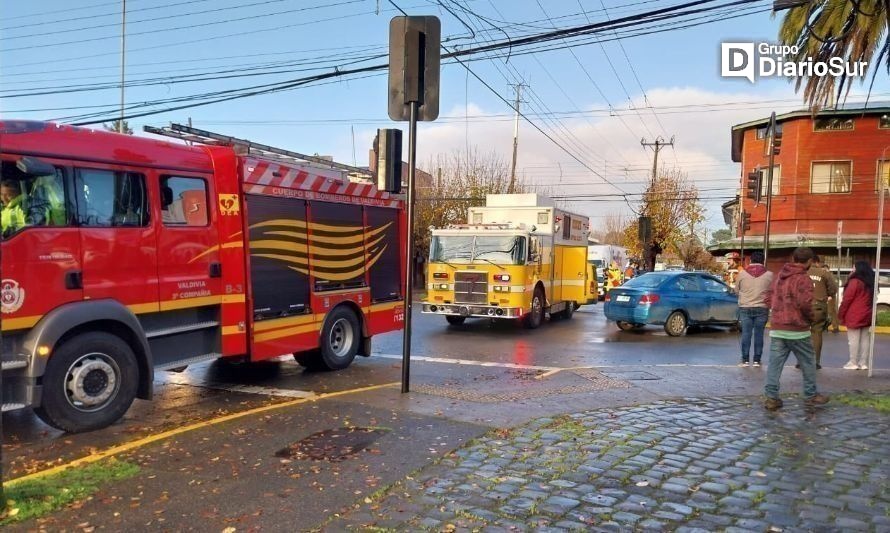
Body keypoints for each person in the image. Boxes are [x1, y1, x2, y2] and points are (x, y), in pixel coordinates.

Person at [763, 247, 829, 411]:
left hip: (778, 327)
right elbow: (805, 303)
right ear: (809, 262)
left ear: (794, 259)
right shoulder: (803, 279)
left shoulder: (779, 276)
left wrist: (777, 310)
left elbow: (768, 297)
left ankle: (771, 398)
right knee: (808, 362)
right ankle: (810, 395)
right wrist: (811, 318)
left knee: (775, 365)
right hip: (798, 329)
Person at [735, 250, 773, 367]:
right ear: (763, 261)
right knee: (759, 334)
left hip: (745, 307)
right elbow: (772, 291)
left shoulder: (742, 274)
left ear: (750, 260)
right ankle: (757, 360)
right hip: (762, 308)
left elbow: (737, 290)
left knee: (746, 333)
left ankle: (745, 360)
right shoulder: (769, 275)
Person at [800, 255, 837, 370]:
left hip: (803, 306)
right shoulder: (824, 273)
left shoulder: (802, 273)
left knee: (802, 334)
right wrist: (826, 294)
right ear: (817, 262)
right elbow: (833, 289)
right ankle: (815, 362)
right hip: (818, 306)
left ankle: (801, 361)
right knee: (816, 333)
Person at [838, 261, 875, 371]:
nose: (852, 270)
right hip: (867, 314)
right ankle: (863, 363)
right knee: (865, 339)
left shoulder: (854, 282)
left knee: (853, 340)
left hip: (854, 314)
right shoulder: (870, 282)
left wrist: (840, 314)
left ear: (858, 269)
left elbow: (847, 300)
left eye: (853, 268)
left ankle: (853, 362)